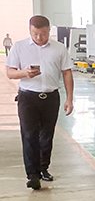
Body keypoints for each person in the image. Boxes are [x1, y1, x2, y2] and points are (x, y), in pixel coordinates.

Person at [5, 15, 74, 190]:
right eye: (35, 33)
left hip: (50, 98)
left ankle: (43, 168)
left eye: (43, 33)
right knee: (29, 135)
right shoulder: (19, 47)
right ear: (30, 30)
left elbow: (67, 73)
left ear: (49, 30)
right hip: (27, 98)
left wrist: (69, 99)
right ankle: (32, 175)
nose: (39, 37)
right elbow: (10, 73)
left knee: (46, 135)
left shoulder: (59, 48)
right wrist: (24, 73)